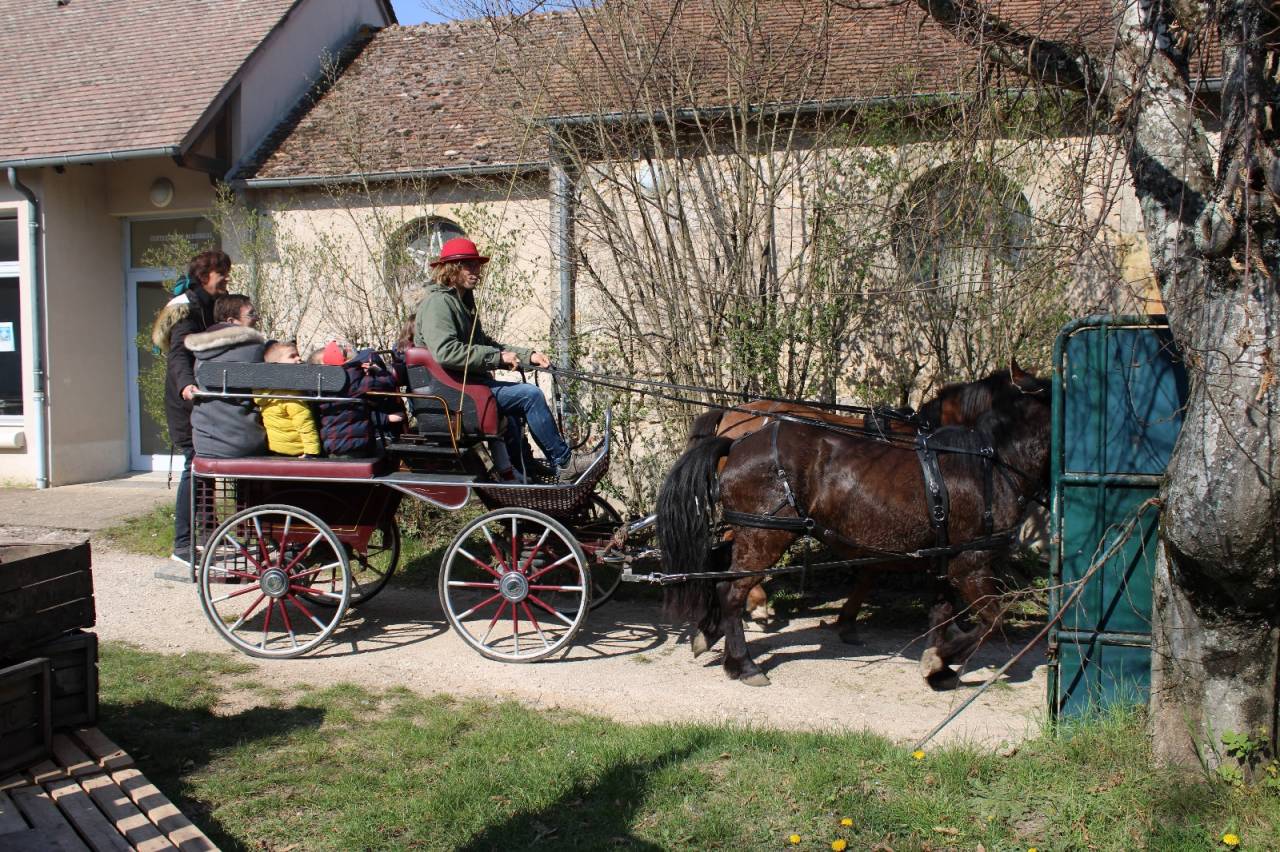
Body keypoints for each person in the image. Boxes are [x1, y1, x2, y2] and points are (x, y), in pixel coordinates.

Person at [414, 237, 592, 481]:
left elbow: (485, 345)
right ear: (451, 269)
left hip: (466, 387)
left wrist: (527, 356)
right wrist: (496, 358)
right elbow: (446, 352)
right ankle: (564, 463)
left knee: (516, 404)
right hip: (454, 393)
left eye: (477, 265)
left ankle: (526, 465)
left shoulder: (461, 302)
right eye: (469, 265)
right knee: (530, 396)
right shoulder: (439, 304)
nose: (476, 271)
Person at [151, 250, 229, 569]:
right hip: (186, 402)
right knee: (194, 467)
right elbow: (179, 355)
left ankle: (208, 537)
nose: (226, 278)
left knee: (206, 470)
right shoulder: (187, 307)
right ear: (204, 276)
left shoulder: (211, 305)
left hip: (202, 398)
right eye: (222, 272)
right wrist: (186, 385)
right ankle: (183, 544)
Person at [186, 294, 268, 458]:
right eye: (251, 314)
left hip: (204, 441)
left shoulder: (200, 352)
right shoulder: (254, 350)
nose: (257, 318)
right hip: (243, 441)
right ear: (231, 321)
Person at [314, 341, 405, 458]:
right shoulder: (355, 378)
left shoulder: (320, 385)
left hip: (331, 444)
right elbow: (389, 383)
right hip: (357, 445)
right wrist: (378, 371)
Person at [254, 341, 321, 457]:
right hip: (298, 450)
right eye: (292, 356)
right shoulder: (289, 395)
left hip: (276, 449)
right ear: (277, 365)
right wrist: (311, 452)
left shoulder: (264, 392)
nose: (299, 358)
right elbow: (305, 424)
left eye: (298, 354)